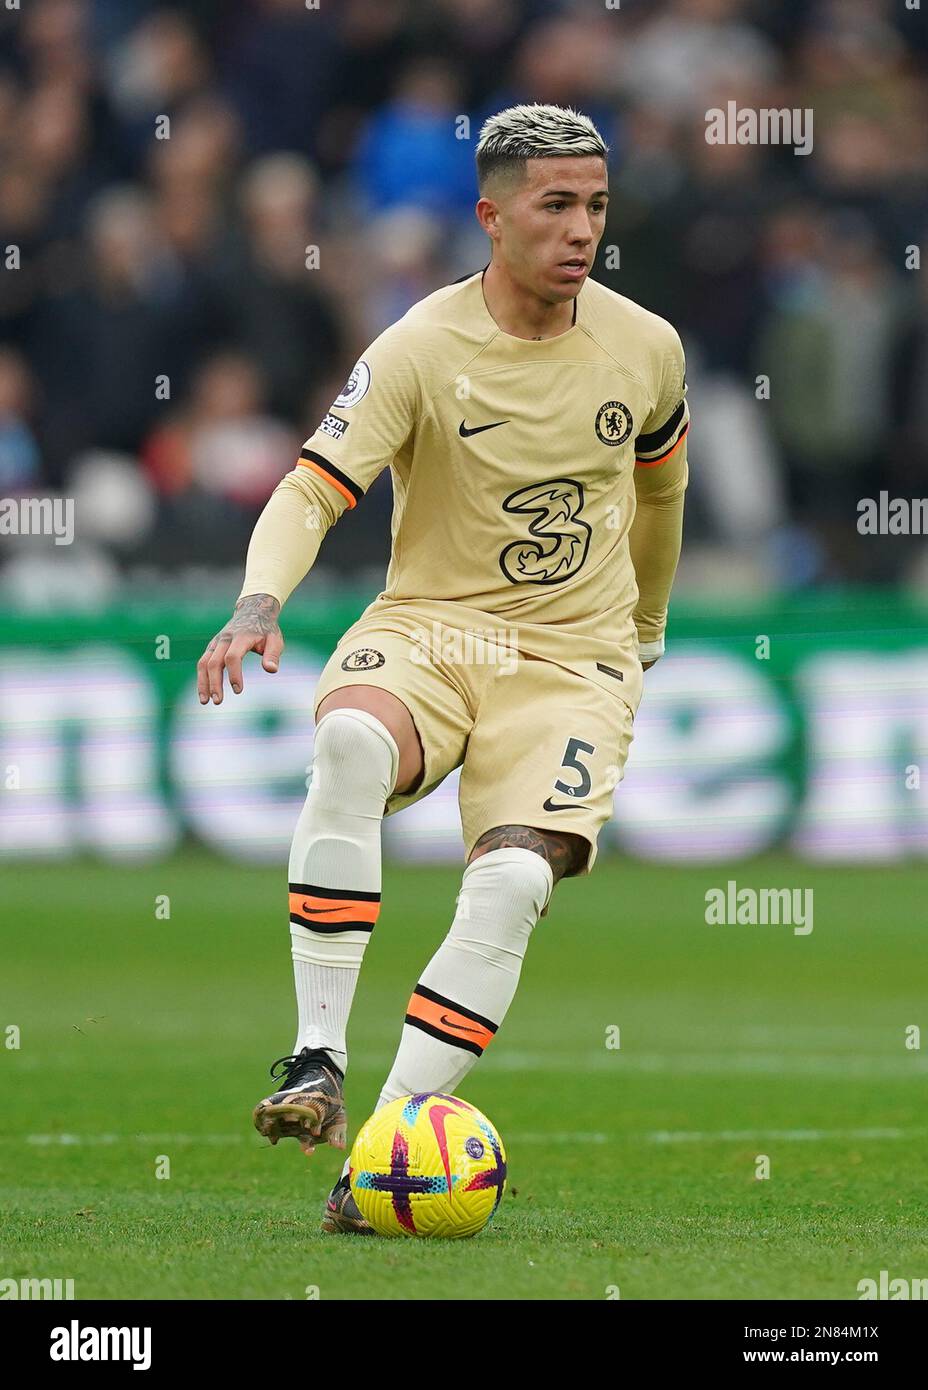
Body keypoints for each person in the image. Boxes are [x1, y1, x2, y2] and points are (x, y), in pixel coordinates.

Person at [196, 103, 689, 1234]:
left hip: (572, 659)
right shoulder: (418, 345)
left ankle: (379, 1153)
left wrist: (646, 627)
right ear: (492, 214)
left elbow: (660, 492)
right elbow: (312, 485)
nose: (581, 231)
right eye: (555, 205)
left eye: (596, 207)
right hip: (430, 626)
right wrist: (257, 600)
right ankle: (315, 1054)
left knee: (513, 882)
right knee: (349, 740)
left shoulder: (646, 348)